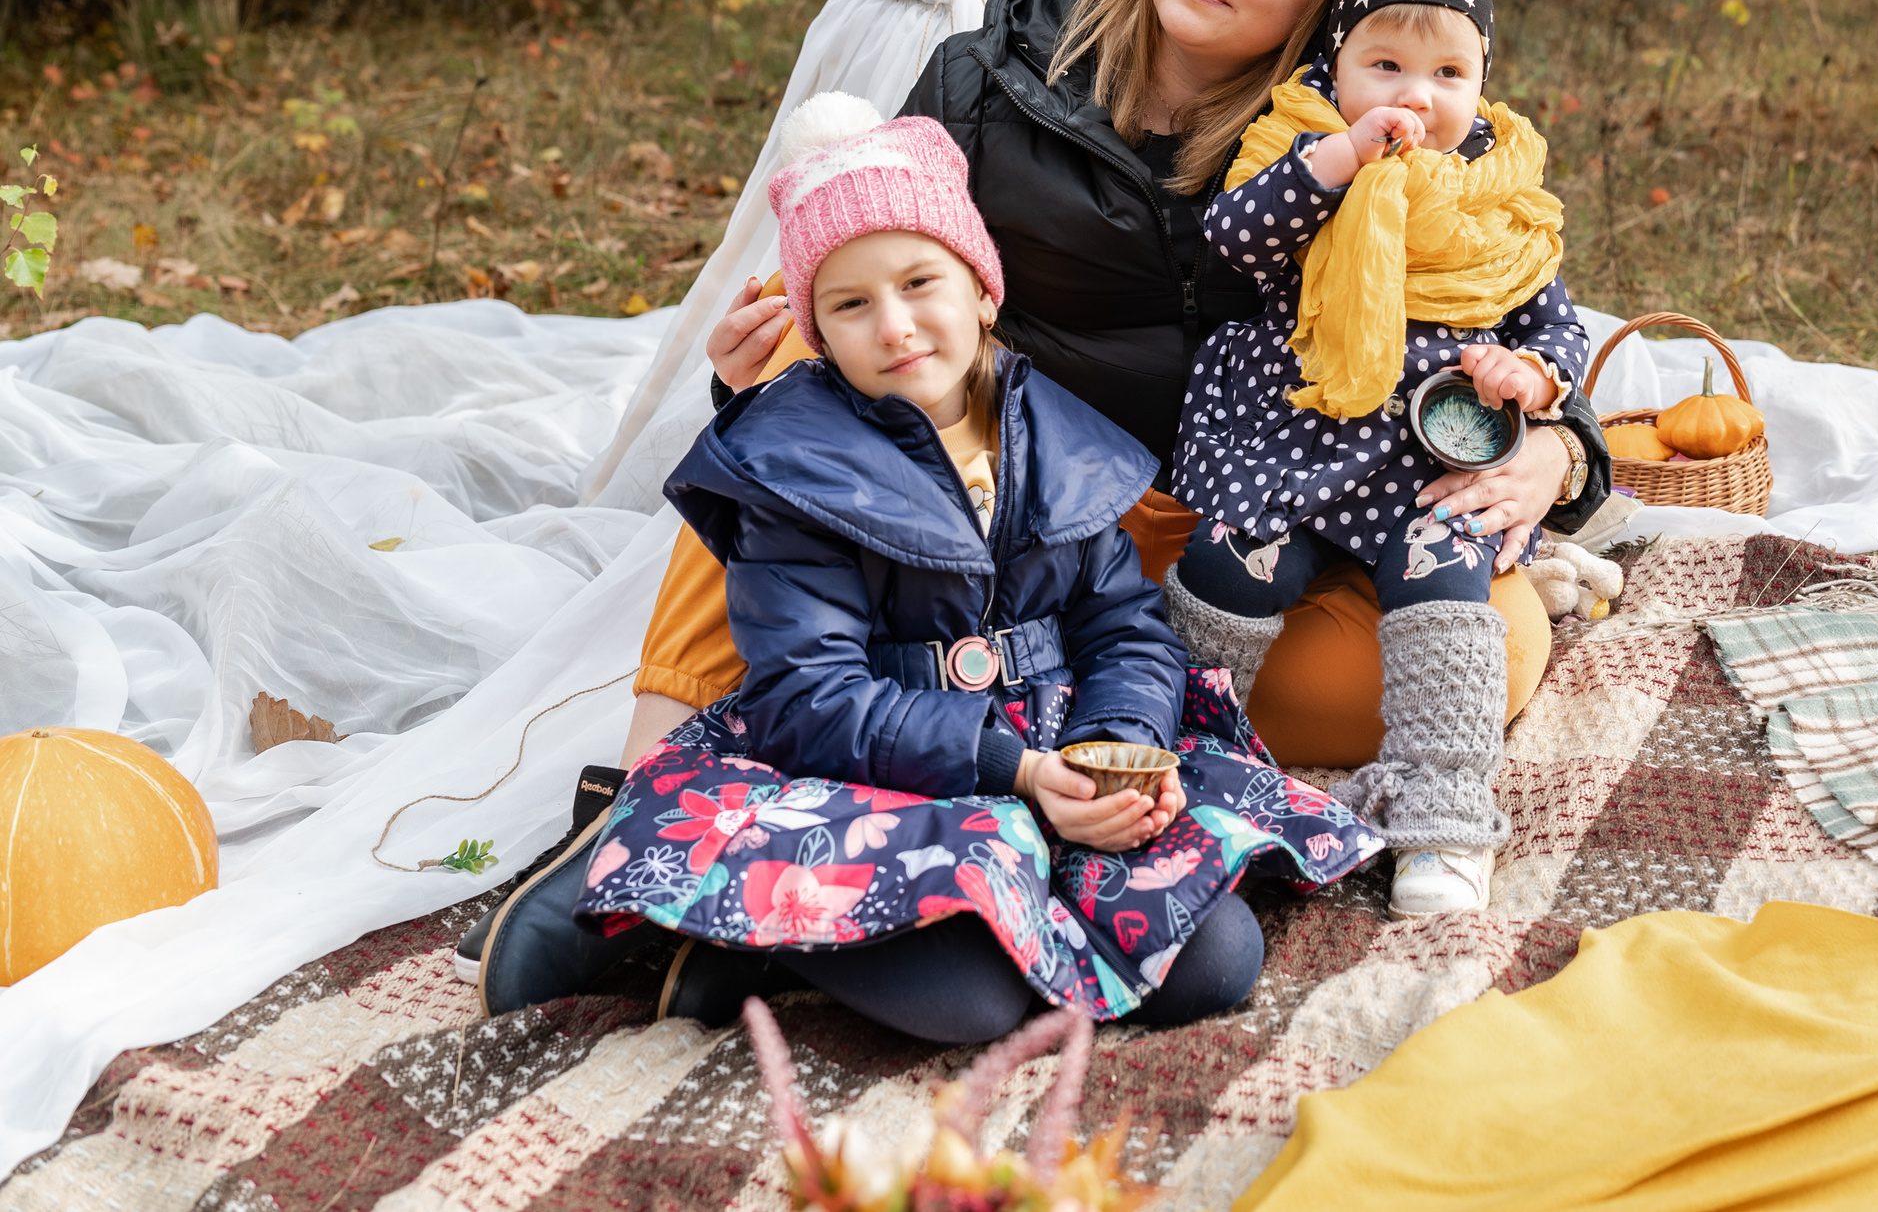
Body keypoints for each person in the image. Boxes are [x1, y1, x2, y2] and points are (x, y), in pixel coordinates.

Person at [452, 0, 1611, 979]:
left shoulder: (1343, 139)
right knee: (792, 415)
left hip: (1182, 515)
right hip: (975, 460)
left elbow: (1507, 313)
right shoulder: (991, 73)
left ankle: (1034, 750)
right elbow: (855, 261)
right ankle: (637, 810)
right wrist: (751, 362)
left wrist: (1558, 448)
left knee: (1497, 645)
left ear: (1326, 2)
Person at [475, 95, 1382, 1033]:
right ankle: (748, 942)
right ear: (817, 332)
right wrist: (1017, 769)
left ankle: (840, 942)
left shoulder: (1053, 438)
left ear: (982, 290)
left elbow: (1122, 625)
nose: (896, 324)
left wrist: (1110, 751)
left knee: (1214, 962)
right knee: (970, 999)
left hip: (1060, 752)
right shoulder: (800, 474)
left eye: (920, 283)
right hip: (884, 771)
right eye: (852, 304)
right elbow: (809, 697)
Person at [1162, 0, 1585, 920]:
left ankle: (1441, 812)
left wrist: (1533, 379)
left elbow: (1554, 318)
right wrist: (1344, 155)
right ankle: (1194, 751)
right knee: (1230, 557)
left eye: (1448, 73)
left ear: (1481, 80)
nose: (1417, 95)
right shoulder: (1301, 140)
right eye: (1385, 63)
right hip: (1295, 432)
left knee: (1446, 581)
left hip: (1429, 453)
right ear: (1336, 62)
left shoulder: (1497, 189)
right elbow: (1237, 238)